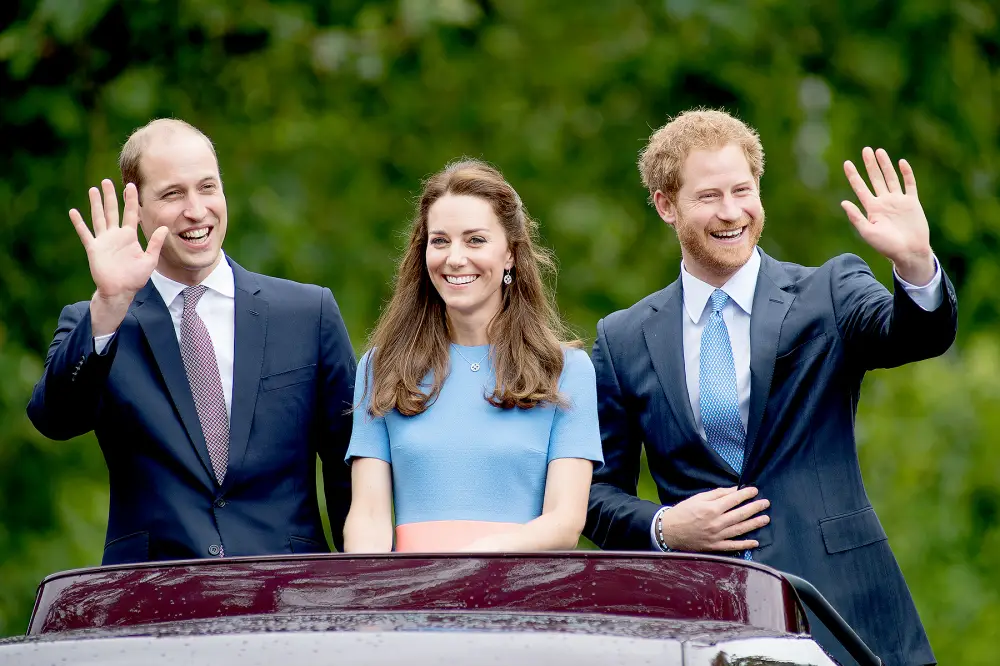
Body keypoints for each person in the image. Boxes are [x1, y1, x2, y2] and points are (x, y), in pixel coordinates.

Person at [584, 109, 955, 666]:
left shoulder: (829, 290)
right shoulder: (624, 338)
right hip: (703, 621)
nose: (731, 212)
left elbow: (914, 335)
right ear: (666, 205)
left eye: (743, 190)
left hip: (845, 611)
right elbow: (591, 496)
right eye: (709, 196)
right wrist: (664, 526)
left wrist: (914, 263)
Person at [27, 119, 357, 564]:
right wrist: (110, 303)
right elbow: (54, 418)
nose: (196, 210)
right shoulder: (98, 320)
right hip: (152, 601)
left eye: (207, 187)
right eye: (172, 194)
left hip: (288, 599)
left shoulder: (308, 313)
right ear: (137, 208)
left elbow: (350, 477)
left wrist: (368, 593)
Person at [342, 159, 602, 553]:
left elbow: (565, 523)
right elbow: (369, 516)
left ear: (511, 254)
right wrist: (374, 593)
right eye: (440, 240)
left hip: (519, 599)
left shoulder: (566, 371)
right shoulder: (382, 367)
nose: (455, 258)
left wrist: (469, 566)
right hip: (409, 601)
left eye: (475, 240)